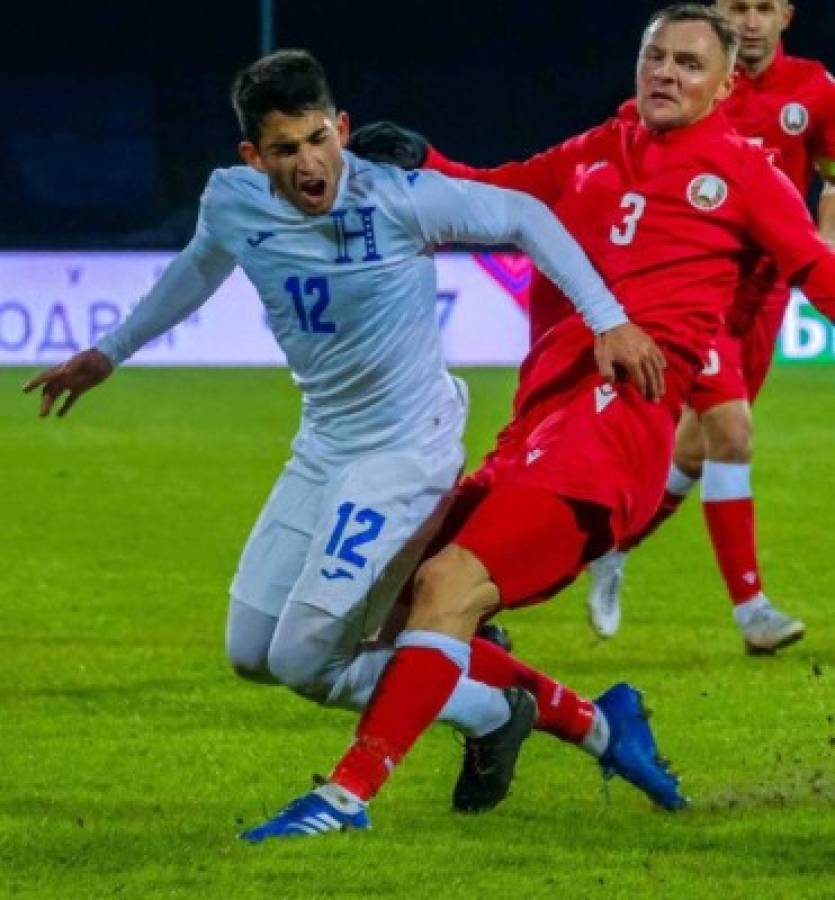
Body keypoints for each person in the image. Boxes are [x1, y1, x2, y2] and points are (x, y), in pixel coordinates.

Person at [23, 49, 670, 832]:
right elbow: (197, 269)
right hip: (324, 444)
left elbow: (527, 217)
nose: (310, 163)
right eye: (286, 149)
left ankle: (482, 726)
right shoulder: (232, 202)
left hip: (405, 452)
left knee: (306, 658)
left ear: (343, 129)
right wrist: (109, 352)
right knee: (252, 653)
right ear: (251, 158)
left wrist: (608, 320)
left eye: (319, 139)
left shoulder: (397, 198)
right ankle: (510, 711)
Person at [252, 2, 835, 840]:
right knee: (391, 611)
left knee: (449, 585)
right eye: (654, 58)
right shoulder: (602, 147)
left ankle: (344, 799)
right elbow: (498, 192)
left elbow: (817, 272)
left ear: (722, 85)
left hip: (619, 431)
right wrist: (427, 161)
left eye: (688, 64)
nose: (666, 74)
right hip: (540, 419)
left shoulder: (744, 171)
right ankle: (595, 723)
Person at [585, 0, 835, 650]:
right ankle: (751, 610)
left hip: (769, 285)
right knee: (730, 429)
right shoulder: (694, 80)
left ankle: (613, 545)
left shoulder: (813, 88)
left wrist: (823, 236)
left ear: (784, 13)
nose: (747, 21)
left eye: (760, 7)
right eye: (734, 7)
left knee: (696, 449)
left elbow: (832, 170)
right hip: (699, 283)